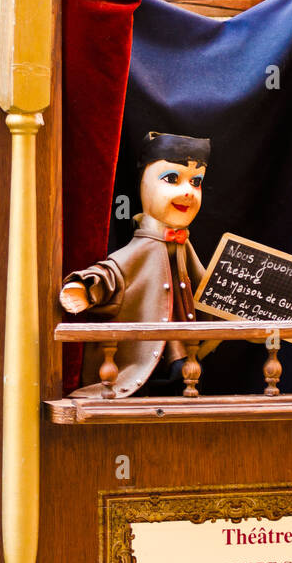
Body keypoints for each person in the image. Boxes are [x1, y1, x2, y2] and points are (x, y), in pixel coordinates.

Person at [59, 131, 210, 397]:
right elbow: (112, 272)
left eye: (195, 182)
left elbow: (207, 289)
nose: (187, 191)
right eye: (172, 179)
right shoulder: (141, 248)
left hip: (183, 353)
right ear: (143, 184)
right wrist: (84, 288)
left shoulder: (184, 245)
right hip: (138, 358)